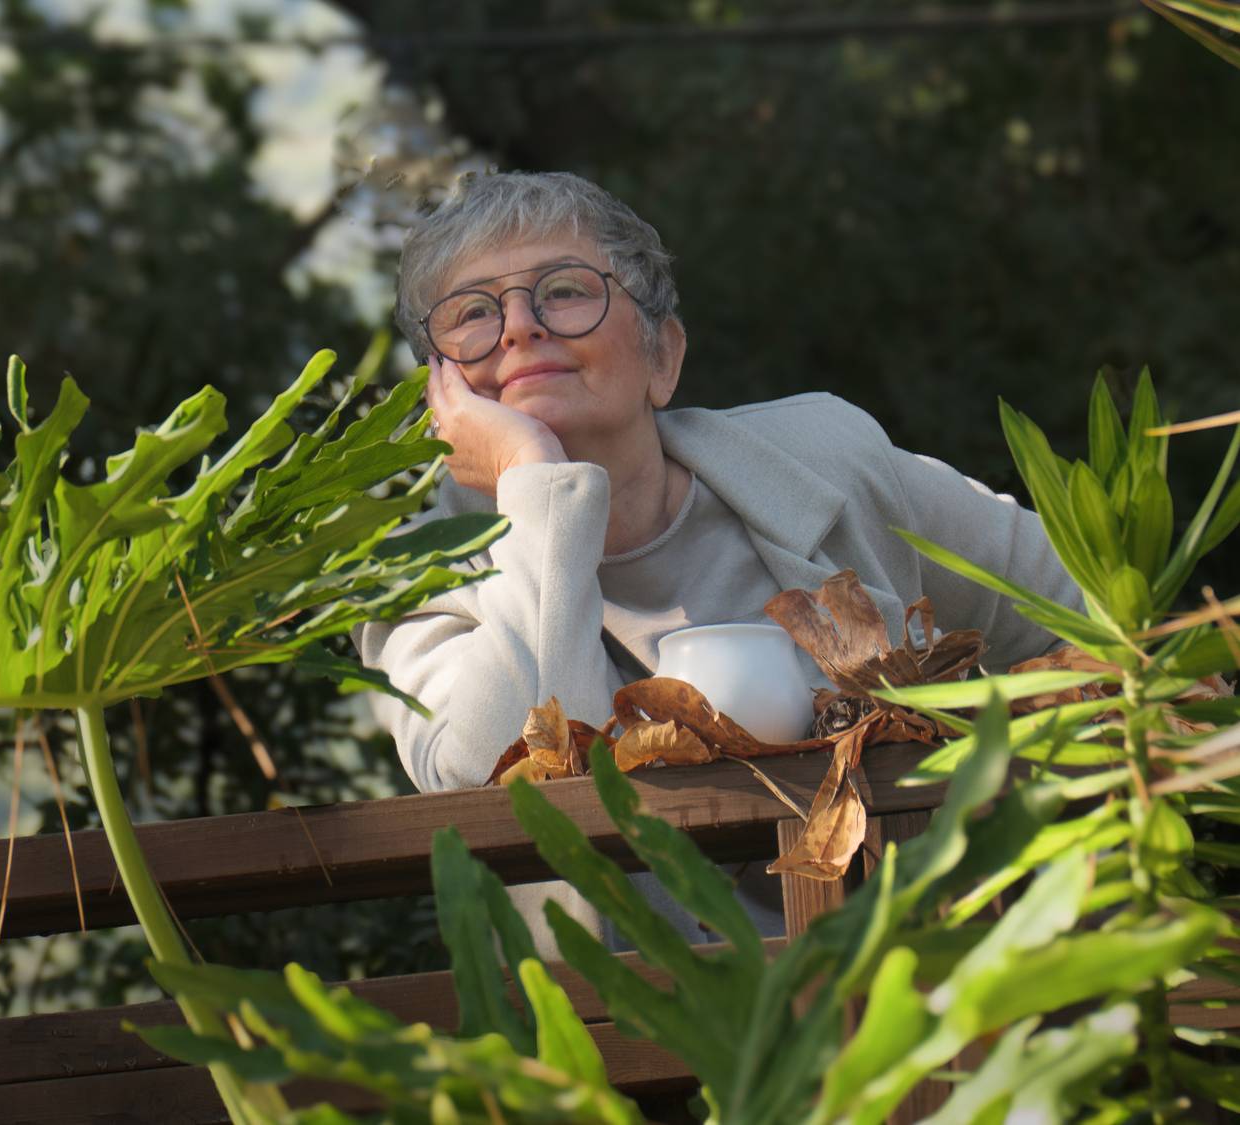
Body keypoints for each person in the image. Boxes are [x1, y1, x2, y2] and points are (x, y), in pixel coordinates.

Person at [354, 170, 1080, 952]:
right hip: (640, 1019)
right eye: (473, 312)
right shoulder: (409, 578)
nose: (520, 327)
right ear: (439, 398)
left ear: (662, 357)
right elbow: (502, 789)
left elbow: (1085, 604)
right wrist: (536, 481)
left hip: (928, 981)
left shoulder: (830, 456)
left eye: (564, 291)